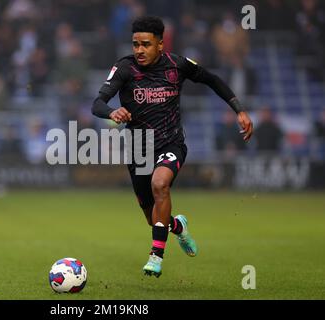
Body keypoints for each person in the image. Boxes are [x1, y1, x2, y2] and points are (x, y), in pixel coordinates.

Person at [91, 16, 253, 277]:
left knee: (160, 184)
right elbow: (97, 103)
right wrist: (112, 112)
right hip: (138, 150)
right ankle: (178, 226)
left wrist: (239, 110)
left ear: (160, 44)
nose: (139, 50)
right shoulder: (124, 68)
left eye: (145, 44)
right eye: (135, 44)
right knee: (152, 217)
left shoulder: (177, 65)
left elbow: (212, 79)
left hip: (171, 142)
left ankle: (156, 256)